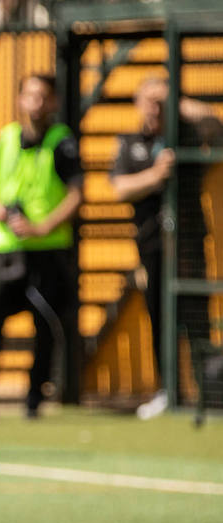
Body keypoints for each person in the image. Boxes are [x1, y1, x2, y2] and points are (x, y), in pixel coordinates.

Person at [0, 74, 83, 420]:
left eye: (43, 97)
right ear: (19, 99)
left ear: (54, 102)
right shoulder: (3, 138)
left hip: (47, 250)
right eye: (30, 95)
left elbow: (77, 194)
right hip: (5, 250)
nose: (36, 103)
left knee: (45, 325)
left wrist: (41, 226)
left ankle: (34, 399)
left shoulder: (62, 143)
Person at [109, 76, 222, 419]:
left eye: (161, 102)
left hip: (187, 241)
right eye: (148, 101)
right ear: (137, 103)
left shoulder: (185, 133)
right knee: (159, 316)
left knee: (196, 316)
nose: (154, 109)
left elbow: (216, 124)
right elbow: (118, 188)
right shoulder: (130, 143)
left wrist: (173, 97)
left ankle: (210, 391)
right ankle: (168, 390)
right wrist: (156, 175)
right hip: (151, 243)